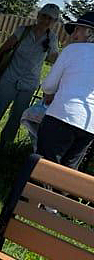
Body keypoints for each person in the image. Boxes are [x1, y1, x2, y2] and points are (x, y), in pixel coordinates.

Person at [0, 3, 60, 146]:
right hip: (10, 77)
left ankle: (5, 145)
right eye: (44, 16)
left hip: (29, 83)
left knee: (17, 116)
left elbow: (54, 57)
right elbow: (2, 50)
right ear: (38, 16)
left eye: (50, 18)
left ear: (54, 22)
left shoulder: (52, 38)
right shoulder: (23, 31)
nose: (46, 20)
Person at [36, 11, 94, 169]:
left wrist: (49, 95)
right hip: (89, 125)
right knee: (67, 172)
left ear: (90, 33)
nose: (74, 34)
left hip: (62, 116)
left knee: (45, 166)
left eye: (78, 29)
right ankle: (56, 194)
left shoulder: (72, 50)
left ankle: (37, 194)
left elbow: (48, 85)